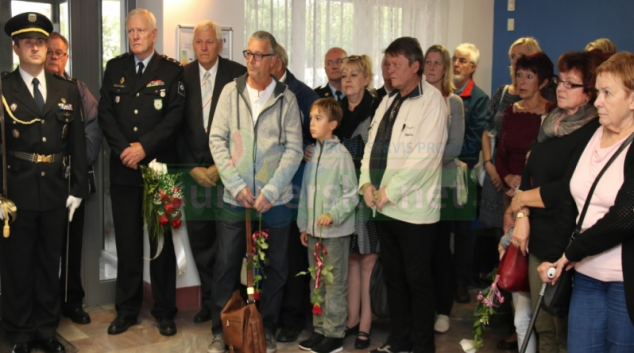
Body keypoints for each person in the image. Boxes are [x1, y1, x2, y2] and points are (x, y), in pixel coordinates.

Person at [507, 50, 609, 353]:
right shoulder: (552, 121)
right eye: (560, 81)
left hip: (564, 241)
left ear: (589, 93)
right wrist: (522, 217)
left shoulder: (593, 131)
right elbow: (528, 173)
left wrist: (522, 199)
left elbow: (568, 188)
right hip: (535, 236)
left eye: (570, 84)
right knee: (543, 325)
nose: (560, 88)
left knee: (564, 329)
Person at [208, 30, 302, 353]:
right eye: (248, 54)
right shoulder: (229, 93)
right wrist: (235, 185)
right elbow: (216, 141)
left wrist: (272, 191)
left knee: (276, 268)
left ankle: (268, 328)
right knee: (227, 265)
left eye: (258, 55)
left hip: (275, 203)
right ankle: (222, 330)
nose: (251, 60)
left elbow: (294, 149)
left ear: (274, 60)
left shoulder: (286, 99)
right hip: (236, 200)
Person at [1, 12, 88, 353]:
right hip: (16, 193)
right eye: (28, 42)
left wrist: (78, 189)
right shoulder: (4, 88)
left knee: (50, 263)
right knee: (17, 265)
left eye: (40, 41)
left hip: (55, 190)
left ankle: (46, 329)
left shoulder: (67, 89)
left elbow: (78, 143)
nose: (36, 48)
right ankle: (20, 333)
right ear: (16, 47)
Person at [536, 51, 634, 352]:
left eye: (607, 93)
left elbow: (626, 216)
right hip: (586, 278)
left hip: (624, 283)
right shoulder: (592, 134)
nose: (598, 101)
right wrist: (554, 256)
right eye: (598, 92)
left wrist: (571, 252)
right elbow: (569, 200)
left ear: (632, 100)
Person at [98, 8, 184, 337]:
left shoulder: (172, 71)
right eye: (130, 31)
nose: (134, 36)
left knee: (160, 245)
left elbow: (174, 118)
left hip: (159, 171)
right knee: (128, 244)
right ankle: (127, 310)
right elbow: (106, 112)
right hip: (124, 171)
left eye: (140, 31)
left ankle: (165, 311)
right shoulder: (115, 68)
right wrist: (126, 150)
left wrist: (143, 148)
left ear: (153, 34)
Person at [359, 36, 447, 353]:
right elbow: (371, 146)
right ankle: (399, 341)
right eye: (387, 63)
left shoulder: (433, 102)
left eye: (396, 64)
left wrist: (387, 192)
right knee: (395, 280)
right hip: (384, 207)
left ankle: (422, 346)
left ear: (415, 66)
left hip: (415, 212)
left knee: (418, 283)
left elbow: (424, 161)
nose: (389, 69)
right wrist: (366, 185)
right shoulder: (388, 99)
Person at [176, 19, 246, 325]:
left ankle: (229, 304)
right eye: (198, 43)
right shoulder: (182, 75)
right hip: (193, 175)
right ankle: (208, 301)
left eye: (209, 42)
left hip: (227, 174)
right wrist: (191, 167)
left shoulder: (237, 74)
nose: (204, 48)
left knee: (229, 246)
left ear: (220, 44)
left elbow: (244, 126)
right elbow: (174, 126)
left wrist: (222, 166)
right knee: (201, 241)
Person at [44, 32, 102, 326]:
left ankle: (72, 301)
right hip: (41, 183)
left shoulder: (78, 89)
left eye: (60, 53)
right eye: (50, 52)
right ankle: (45, 305)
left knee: (71, 244)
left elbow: (92, 129)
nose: (54, 57)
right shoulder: (35, 88)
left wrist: (77, 159)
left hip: (71, 182)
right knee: (44, 247)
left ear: (67, 57)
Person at [297, 98, 359, 353]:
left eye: (318, 118)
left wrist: (333, 214)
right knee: (317, 281)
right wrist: (304, 225)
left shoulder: (341, 154)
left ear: (333, 124)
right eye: (311, 118)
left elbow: (352, 193)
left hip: (335, 233)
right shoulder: (312, 155)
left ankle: (334, 335)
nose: (312, 123)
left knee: (334, 283)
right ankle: (320, 329)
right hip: (314, 233)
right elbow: (305, 194)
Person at [270, 43, 319, 343]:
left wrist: (300, 149)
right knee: (272, 256)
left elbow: (317, 135)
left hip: (294, 188)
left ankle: (292, 318)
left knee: (292, 255)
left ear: (277, 61)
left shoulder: (302, 93)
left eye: (263, 57)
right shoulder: (262, 90)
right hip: (266, 186)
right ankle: (270, 315)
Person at [334, 55, 380, 350]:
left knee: (368, 262)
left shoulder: (376, 111)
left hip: (367, 194)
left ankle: (365, 324)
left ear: (366, 79)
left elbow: (370, 152)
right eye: (343, 75)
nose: (347, 80)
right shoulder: (337, 112)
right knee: (350, 259)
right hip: (340, 194)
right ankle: (351, 320)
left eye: (354, 75)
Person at [480, 37, 542, 230]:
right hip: (497, 170)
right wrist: (490, 166)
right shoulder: (502, 92)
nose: (516, 61)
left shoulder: (547, 99)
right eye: (512, 57)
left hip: (525, 177)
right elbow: (487, 130)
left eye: (521, 55)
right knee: (494, 233)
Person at [423, 44, 465, 334]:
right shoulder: (416, 99)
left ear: (445, 68)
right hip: (415, 187)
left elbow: (455, 146)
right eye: (428, 62)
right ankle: (423, 307)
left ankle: (443, 310)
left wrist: (423, 160)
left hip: (442, 184)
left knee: (440, 249)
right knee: (420, 250)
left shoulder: (454, 103)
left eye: (438, 63)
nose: (432, 67)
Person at [451, 43, 491, 303]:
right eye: (454, 59)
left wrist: (453, 158)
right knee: (439, 230)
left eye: (463, 61)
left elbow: (474, 138)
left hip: (462, 170)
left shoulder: (479, 98)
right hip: (436, 169)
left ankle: (461, 280)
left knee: (463, 231)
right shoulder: (439, 92)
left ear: (473, 67)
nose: (456, 64)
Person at [495, 52, 555, 196]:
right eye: (519, 75)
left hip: (536, 191)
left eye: (529, 77)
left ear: (543, 82)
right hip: (510, 189)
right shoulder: (511, 109)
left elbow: (551, 159)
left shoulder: (552, 111)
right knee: (509, 218)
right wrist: (508, 177)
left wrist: (525, 182)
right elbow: (500, 153)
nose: (522, 81)